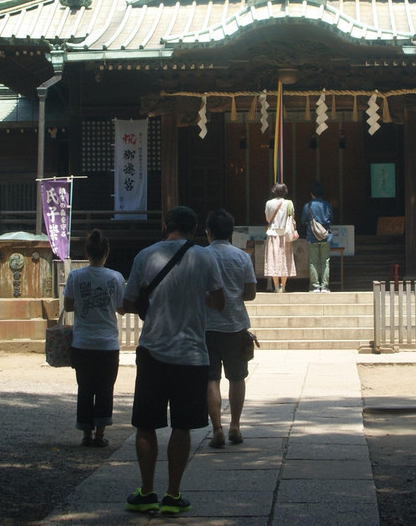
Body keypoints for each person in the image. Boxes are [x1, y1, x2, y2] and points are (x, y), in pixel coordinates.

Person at [122, 206, 225, 517]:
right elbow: (219, 302)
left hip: (153, 349)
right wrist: (197, 296)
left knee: (146, 424)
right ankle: (173, 494)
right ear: (195, 230)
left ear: (165, 225)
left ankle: (147, 491)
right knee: (183, 426)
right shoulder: (206, 257)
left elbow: (127, 303)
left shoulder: (145, 255)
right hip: (192, 353)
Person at [63, 229, 125, 447]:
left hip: (82, 341)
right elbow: (121, 308)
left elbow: (68, 306)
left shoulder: (75, 276)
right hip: (108, 343)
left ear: (86, 252)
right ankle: (100, 435)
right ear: (106, 251)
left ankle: (85, 434)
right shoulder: (115, 277)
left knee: (85, 388)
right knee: (105, 388)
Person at [203, 208, 257, 448]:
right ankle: (235, 425)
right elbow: (251, 293)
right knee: (237, 378)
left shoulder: (201, 256)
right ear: (231, 232)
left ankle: (217, 429)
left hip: (206, 326)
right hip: (235, 324)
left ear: (209, 232)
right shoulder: (241, 257)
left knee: (210, 379)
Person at [264, 183, 296, 292]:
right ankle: (284, 286)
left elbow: (268, 219)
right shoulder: (289, 203)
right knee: (285, 260)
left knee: (273, 260)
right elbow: (292, 218)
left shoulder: (269, 203)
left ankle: (276, 287)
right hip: (285, 235)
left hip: (272, 234)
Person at [301, 182, 334, 292]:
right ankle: (325, 286)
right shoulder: (327, 205)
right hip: (325, 236)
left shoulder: (307, 206)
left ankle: (315, 286)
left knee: (313, 262)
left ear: (311, 194)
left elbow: (303, 220)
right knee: (325, 261)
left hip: (312, 237)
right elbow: (331, 219)